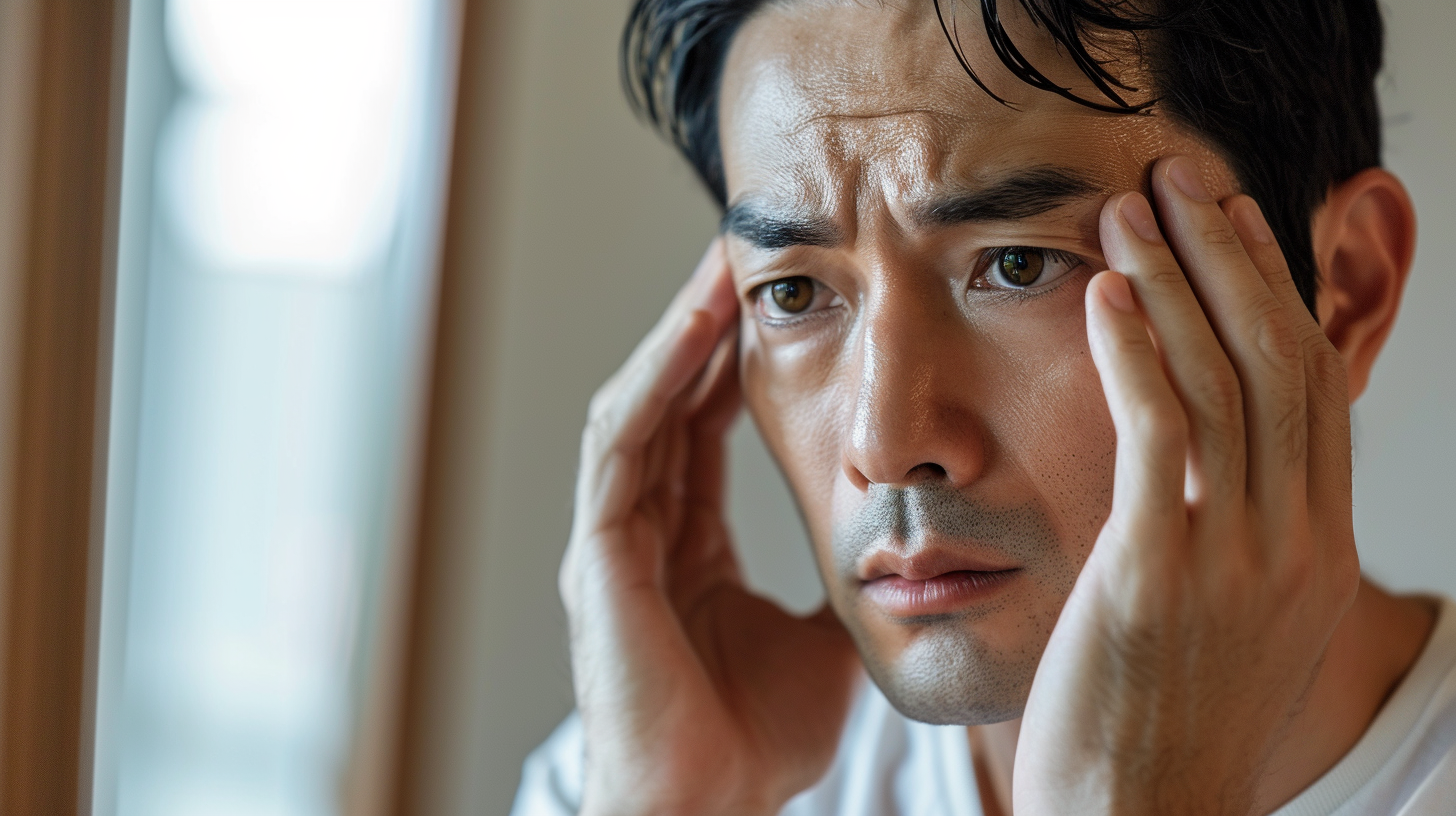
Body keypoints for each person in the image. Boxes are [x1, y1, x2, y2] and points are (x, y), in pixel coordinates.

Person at [513, 0, 1456, 813]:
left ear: (1343, 288)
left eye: (1018, 265)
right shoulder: (637, 778)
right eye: (796, 293)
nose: (885, 443)